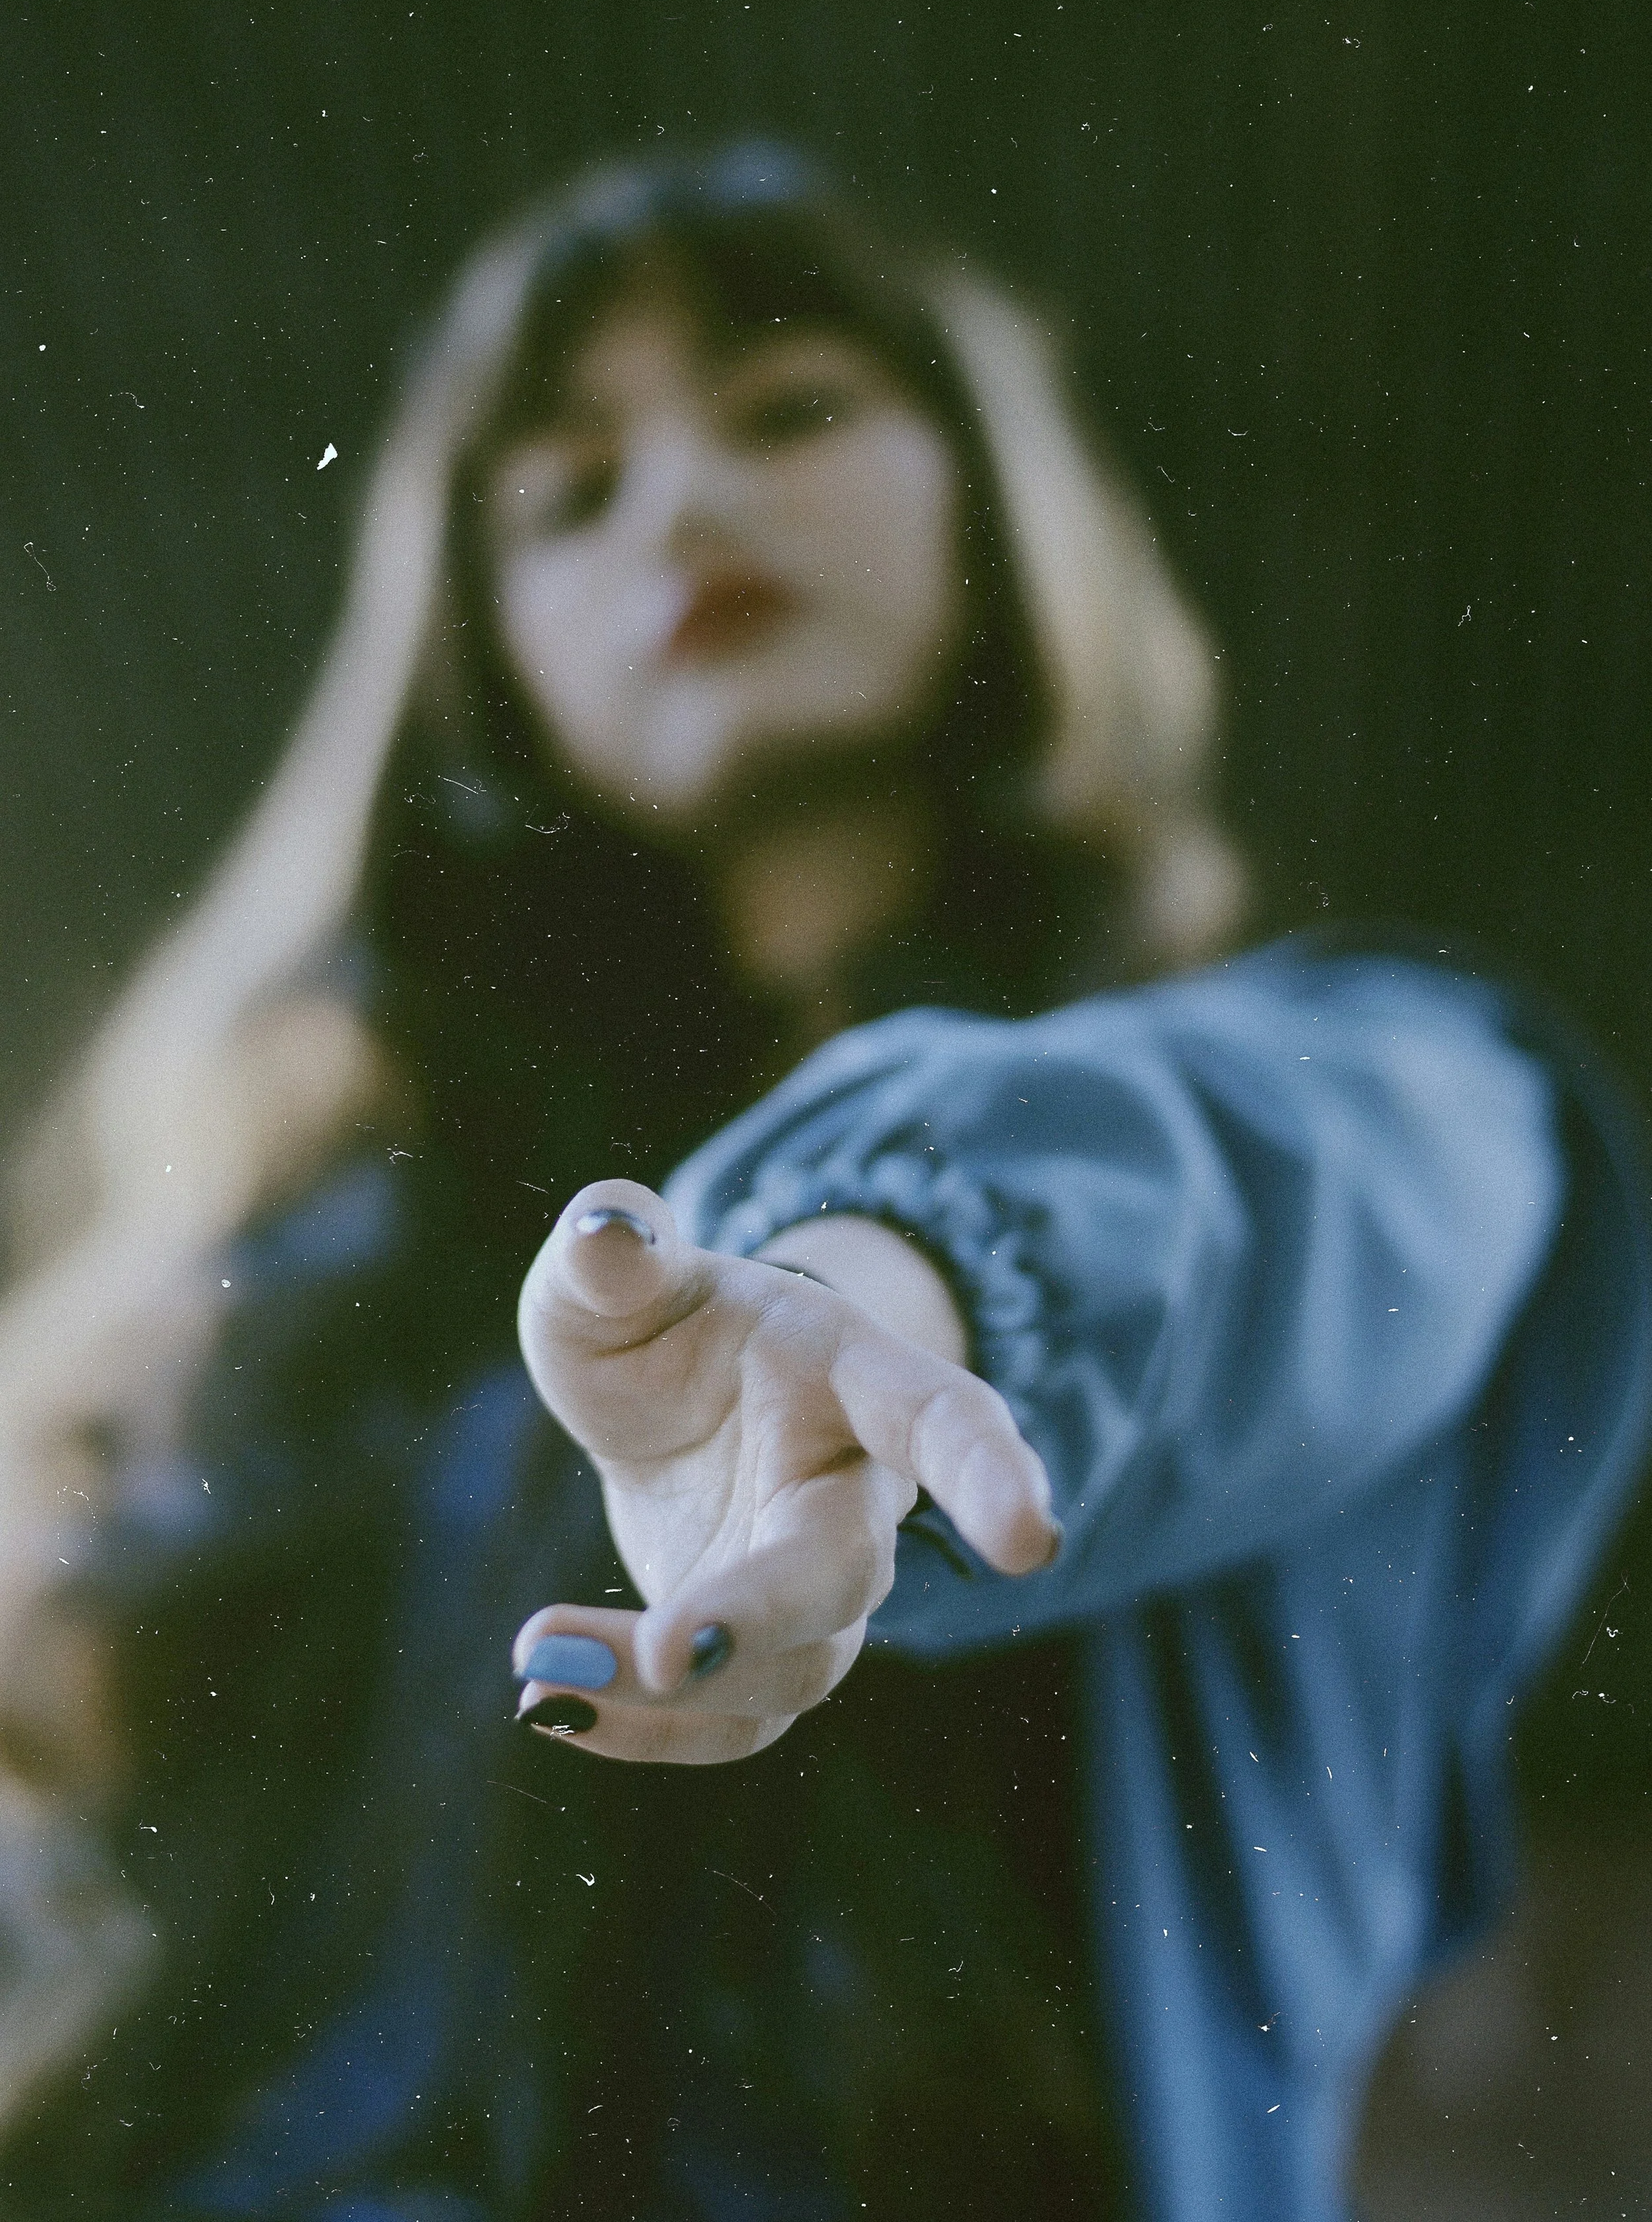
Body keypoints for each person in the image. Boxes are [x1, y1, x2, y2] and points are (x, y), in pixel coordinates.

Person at [0, 141, 1644, 2222]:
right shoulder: (295, 1283)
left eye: (789, 408)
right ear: (486, 661)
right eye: (567, 491)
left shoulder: (1376, 1077)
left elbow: (1243, 1197)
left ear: (995, 496)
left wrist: (881, 1286)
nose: (678, 506)